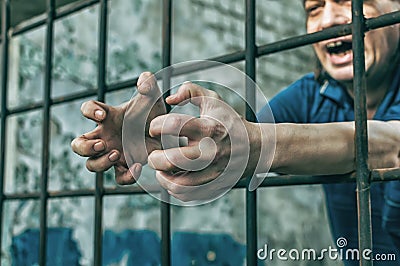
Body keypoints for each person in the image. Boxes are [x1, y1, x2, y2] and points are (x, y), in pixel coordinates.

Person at [71, 0, 400, 264]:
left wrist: (253, 145)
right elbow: (230, 137)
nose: (327, 19)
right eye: (313, 9)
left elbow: (390, 146)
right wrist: (164, 139)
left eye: (347, 1)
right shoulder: (313, 93)